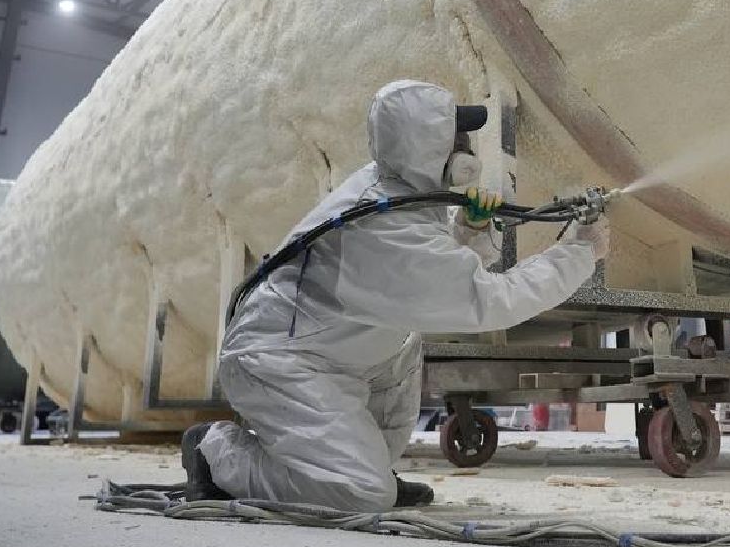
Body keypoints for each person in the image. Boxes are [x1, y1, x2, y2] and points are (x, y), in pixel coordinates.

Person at [182, 79, 609, 509]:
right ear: (428, 149)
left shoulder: (397, 189)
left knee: (404, 340)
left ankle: (359, 466)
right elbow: (488, 301)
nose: (468, 149)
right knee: (361, 493)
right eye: (458, 139)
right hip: (278, 360)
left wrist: (470, 230)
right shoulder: (382, 226)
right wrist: (578, 253)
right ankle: (217, 453)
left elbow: (425, 281)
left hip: (328, 346)